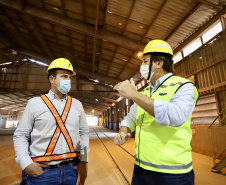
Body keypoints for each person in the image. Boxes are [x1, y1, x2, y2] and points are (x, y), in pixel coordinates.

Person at [113, 40, 199, 185]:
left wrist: (133, 95)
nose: (142, 66)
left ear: (159, 63)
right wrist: (123, 130)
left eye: (145, 61)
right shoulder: (145, 91)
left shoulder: (183, 86)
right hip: (141, 168)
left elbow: (175, 116)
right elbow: (131, 118)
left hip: (172, 173)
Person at [14, 58, 89, 185]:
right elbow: (21, 135)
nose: (68, 81)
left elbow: (84, 132)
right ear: (52, 79)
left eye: (70, 77)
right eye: (64, 76)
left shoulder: (77, 105)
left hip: (70, 171)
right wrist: (25, 163)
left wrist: (84, 160)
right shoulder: (34, 104)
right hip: (43, 173)